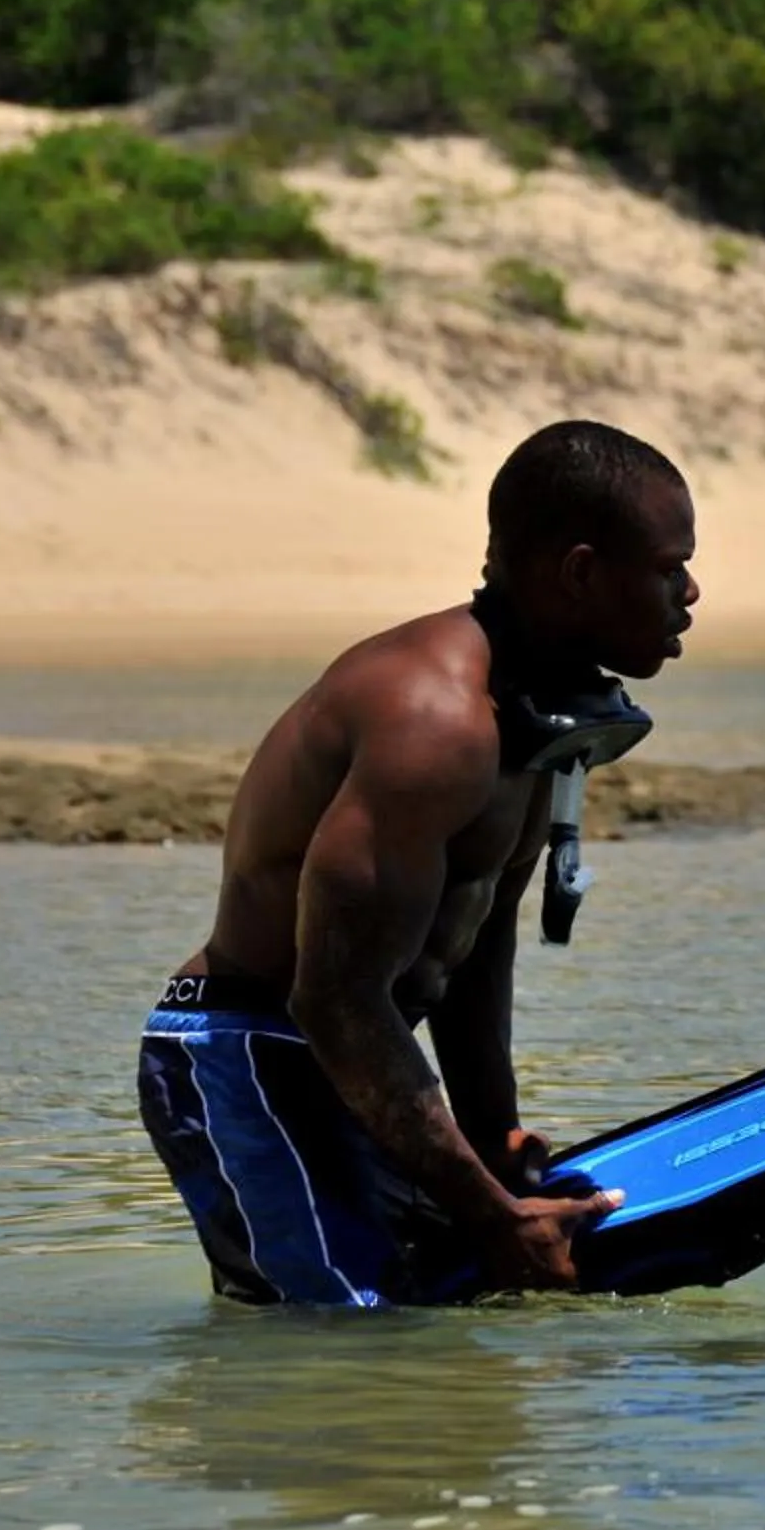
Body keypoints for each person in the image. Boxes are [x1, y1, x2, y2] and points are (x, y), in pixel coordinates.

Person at [137, 420, 698, 1307]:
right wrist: (489, 1211)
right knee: (352, 1339)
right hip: (255, 1051)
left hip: (361, 1061)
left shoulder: (538, 716)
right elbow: (333, 999)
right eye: (669, 568)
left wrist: (494, 1135)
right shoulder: (433, 724)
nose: (689, 593)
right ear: (583, 572)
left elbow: (472, 947)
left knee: (458, 1311)